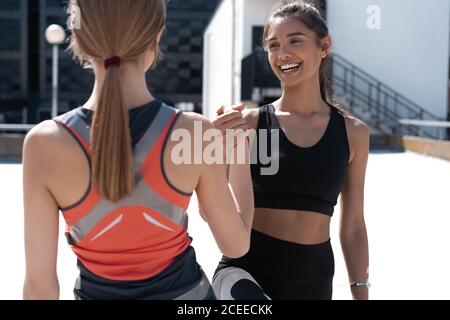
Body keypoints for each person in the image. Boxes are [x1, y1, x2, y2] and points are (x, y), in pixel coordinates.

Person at [23, 0, 253, 300]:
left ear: (77, 37)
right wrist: (237, 151)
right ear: (157, 35)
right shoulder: (193, 132)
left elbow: (40, 287)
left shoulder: (44, 143)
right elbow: (236, 245)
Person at [212, 0, 370, 300]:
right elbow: (216, 206)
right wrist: (217, 152)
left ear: (323, 46)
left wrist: (360, 293)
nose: (282, 54)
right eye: (273, 45)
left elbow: (353, 226)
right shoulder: (249, 123)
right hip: (247, 273)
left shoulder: (353, 133)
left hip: (316, 277)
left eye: (295, 41)